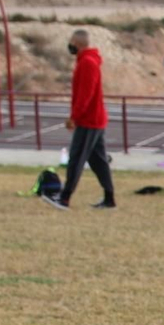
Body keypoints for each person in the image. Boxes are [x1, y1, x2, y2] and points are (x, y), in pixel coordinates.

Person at [46, 29, 116, 210]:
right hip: (94, 120)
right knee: (98, 162)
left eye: (71, 42)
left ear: (77, 43)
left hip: (89, 121)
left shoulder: (87, 63)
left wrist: (74, 117)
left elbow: (85, 95)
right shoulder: (85, 62)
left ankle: (65, 198)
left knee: (76, 158)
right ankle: (109, 199)